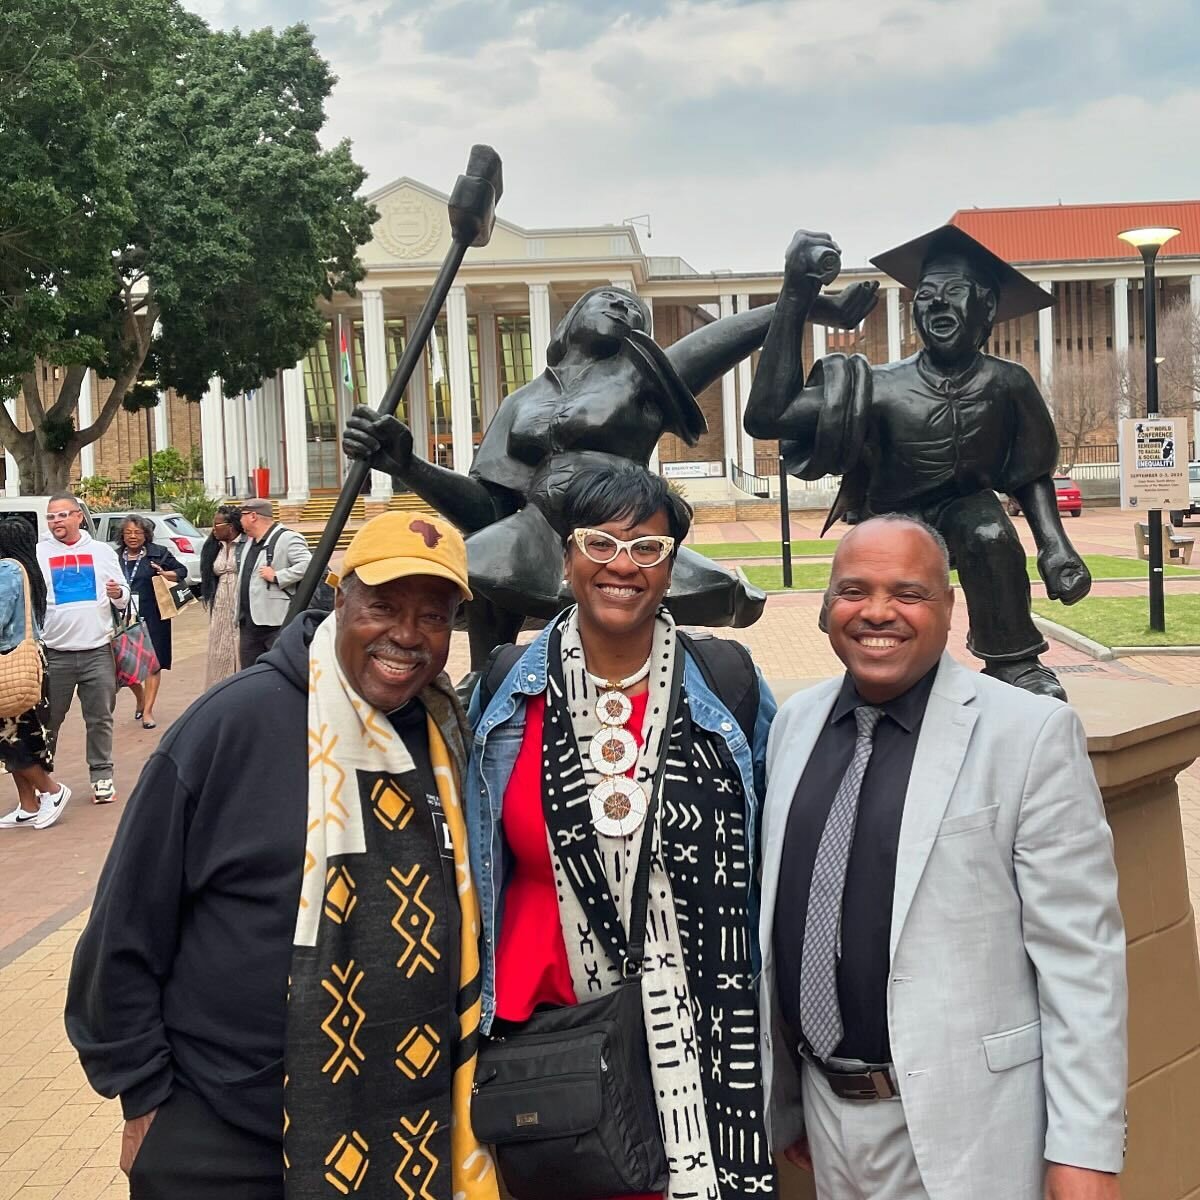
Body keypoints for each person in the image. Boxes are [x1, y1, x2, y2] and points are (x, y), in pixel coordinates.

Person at [66, 511, 500, 1200]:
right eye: (383, 606)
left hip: (406, 1133)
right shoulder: (232, 725)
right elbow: (125, 922)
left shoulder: (448, 740)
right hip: (224, 1130)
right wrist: (142, 1092)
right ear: (339, 597)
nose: (407, 636)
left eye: (435, 617)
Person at [757, 515, 1127, 1200]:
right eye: (852, 590)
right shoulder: (793, 725)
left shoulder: (1029, 735)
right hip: (826, 1120)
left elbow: (1083, 961)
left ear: (949, 607)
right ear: (824, 606)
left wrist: (1085, 1149)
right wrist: (791, 1107)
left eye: (908, 593)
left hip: (973, 1134)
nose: (876, 612)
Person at [466, 461, 779, 1200]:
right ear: (566, 557)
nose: (623, 567)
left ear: (671, 567)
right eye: (600, 545)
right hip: (547, 1053)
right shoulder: (506, 691)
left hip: (702, 1042)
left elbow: (778, 847)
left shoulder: (727, 684)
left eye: (648, 549)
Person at [344, 277, 880, 670]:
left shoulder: (639, 375)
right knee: (485, 557)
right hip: (535, 530)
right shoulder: (523, 398)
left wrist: (804, 301)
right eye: (609, 300)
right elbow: (487, 506)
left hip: (618, 525)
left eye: (633, 310)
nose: (623, 308)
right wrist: (407, 466)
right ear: (572, 318)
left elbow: (725, 337)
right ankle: (489, 683)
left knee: (637, 633)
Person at [745, 226, 1092, 700]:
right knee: (890, 558)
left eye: (955, 293)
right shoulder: (879, 385)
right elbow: (769, 416)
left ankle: (1014, 661)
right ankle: (877, 657)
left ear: (986, 308)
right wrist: (796, 292)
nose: (938, 304)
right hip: (891, 511)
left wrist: (1056, 547)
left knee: (988, 532)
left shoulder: (1008, 384)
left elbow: (1029, 473)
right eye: (926, 295)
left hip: (965, 506)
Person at [36, 492, 129, 804]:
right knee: (49, 720)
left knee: (100, 717)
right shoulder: (39, 553)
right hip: (55, 654)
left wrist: (118, 593)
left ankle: (102, 776)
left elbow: (124, 597)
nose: (56, 522)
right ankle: (43, 778)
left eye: (62, 515)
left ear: (78, 516)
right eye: (51, 517)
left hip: (97, 651)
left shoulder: (101, 552)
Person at [0, 518, 72, 830]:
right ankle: (28, 805)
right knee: (20, 736)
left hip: (8, 662)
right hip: (29, 663)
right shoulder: (28, 570)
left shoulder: (7, 570)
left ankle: (51, 791)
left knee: (10, 738)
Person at [114, 514, 186, 731]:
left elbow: (182, 571)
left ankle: (148, 711)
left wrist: (165, 573)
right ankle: (140, 696)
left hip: (153, 614)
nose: (133, 537)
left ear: (146, 534)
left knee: (153, 663)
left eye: (137, 532)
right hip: (122, 615)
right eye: (128, 533)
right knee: (123, 664)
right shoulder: (114, 557)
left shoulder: (158, 553)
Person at [233, 496, 311, 670]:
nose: (240, 520)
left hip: (275, 622)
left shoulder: (287, 538)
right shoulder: (249, 542)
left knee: (279, 669)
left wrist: (278, 576)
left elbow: (309, 565)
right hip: (248, 622)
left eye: (242, 515)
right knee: (249, 672)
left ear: (253, 516)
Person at [198, 504, 244, 686]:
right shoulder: (213, 546)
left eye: (217, 525)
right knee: (220, 645)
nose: (213, 529)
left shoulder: (246, 545)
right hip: (221, 601)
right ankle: (219, 686)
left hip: (240, 599)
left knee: (239, 643)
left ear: (230, 526)